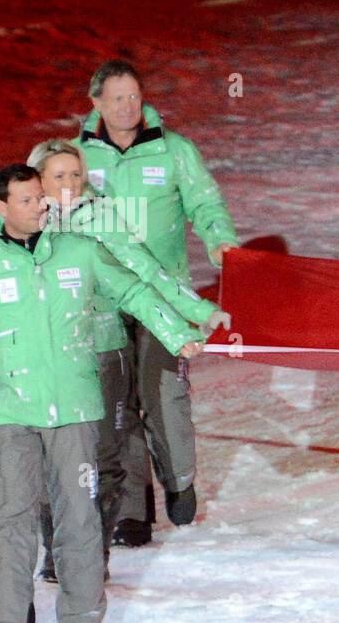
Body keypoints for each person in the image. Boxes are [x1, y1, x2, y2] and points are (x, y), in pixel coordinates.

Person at [0, 165, 206, 623]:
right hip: (9, 414)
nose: (41, 206)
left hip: (76, 408)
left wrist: (175, 332)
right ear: (1, 208)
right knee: (11, 518)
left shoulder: (78, 252)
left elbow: (132, 291)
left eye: (42, 197)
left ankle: (81, 618)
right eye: (27, 200)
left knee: (79, 512)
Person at [0, 139, 231, 582]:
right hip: (47, 361)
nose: (69, 184)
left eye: (75, 175)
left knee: (102, 461)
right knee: (50, 457)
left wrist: (194, 316)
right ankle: (57, 549)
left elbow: (143, 275)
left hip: (104, 351)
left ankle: (90, 554)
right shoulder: (15, 231)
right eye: (58, 176)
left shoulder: (100, 217)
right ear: (37, 182)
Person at [75, 59, 238, 545]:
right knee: (116, 405)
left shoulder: (174, 151)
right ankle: (131, 512)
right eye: (118, 98)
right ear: (96, 103)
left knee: (164, 394)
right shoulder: (78, 158)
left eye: (135, 97)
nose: (128, 107)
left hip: (163, 296)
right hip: (102, 298)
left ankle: (179, 479)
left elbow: (206, 203)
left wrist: (220, 241)